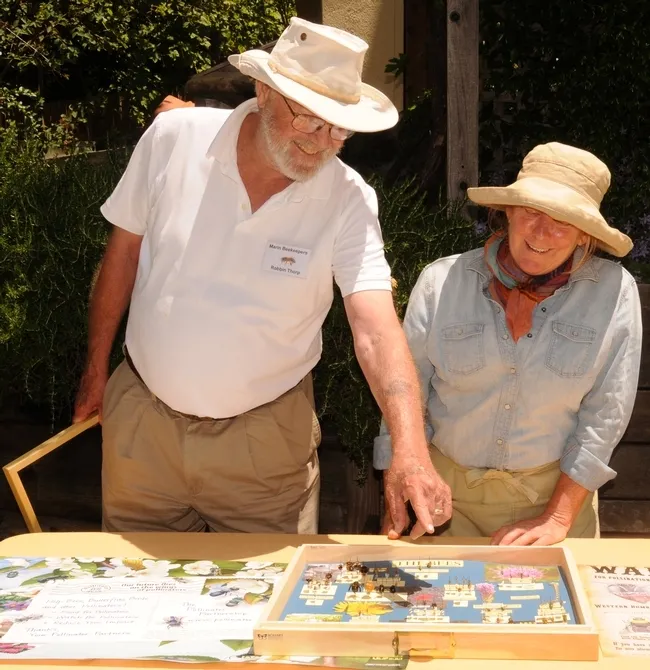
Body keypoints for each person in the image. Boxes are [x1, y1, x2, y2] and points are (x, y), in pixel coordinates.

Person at [73, 17, 452, 535]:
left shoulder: (348, 198)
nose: (323, 142)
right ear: (264, 90)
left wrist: (410, 448)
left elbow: (375, 328)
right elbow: (122, 256)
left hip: (266, 445)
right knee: (136, 595)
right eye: (310, 121)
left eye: (340, 128)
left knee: (265, 604)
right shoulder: (173, 139)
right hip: (143, 428)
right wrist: (95, 371)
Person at [375, 142, 643, 545]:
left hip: (555, 508)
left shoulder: (614, 293)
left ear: (585, 236)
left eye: (563, 221)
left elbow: (605, 414)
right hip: (442, 506)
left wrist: (557, 517)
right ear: (509, 212)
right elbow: (406, 397)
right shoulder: (441, 282)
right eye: (532, 211)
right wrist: (399, 494)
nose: (541, 232)